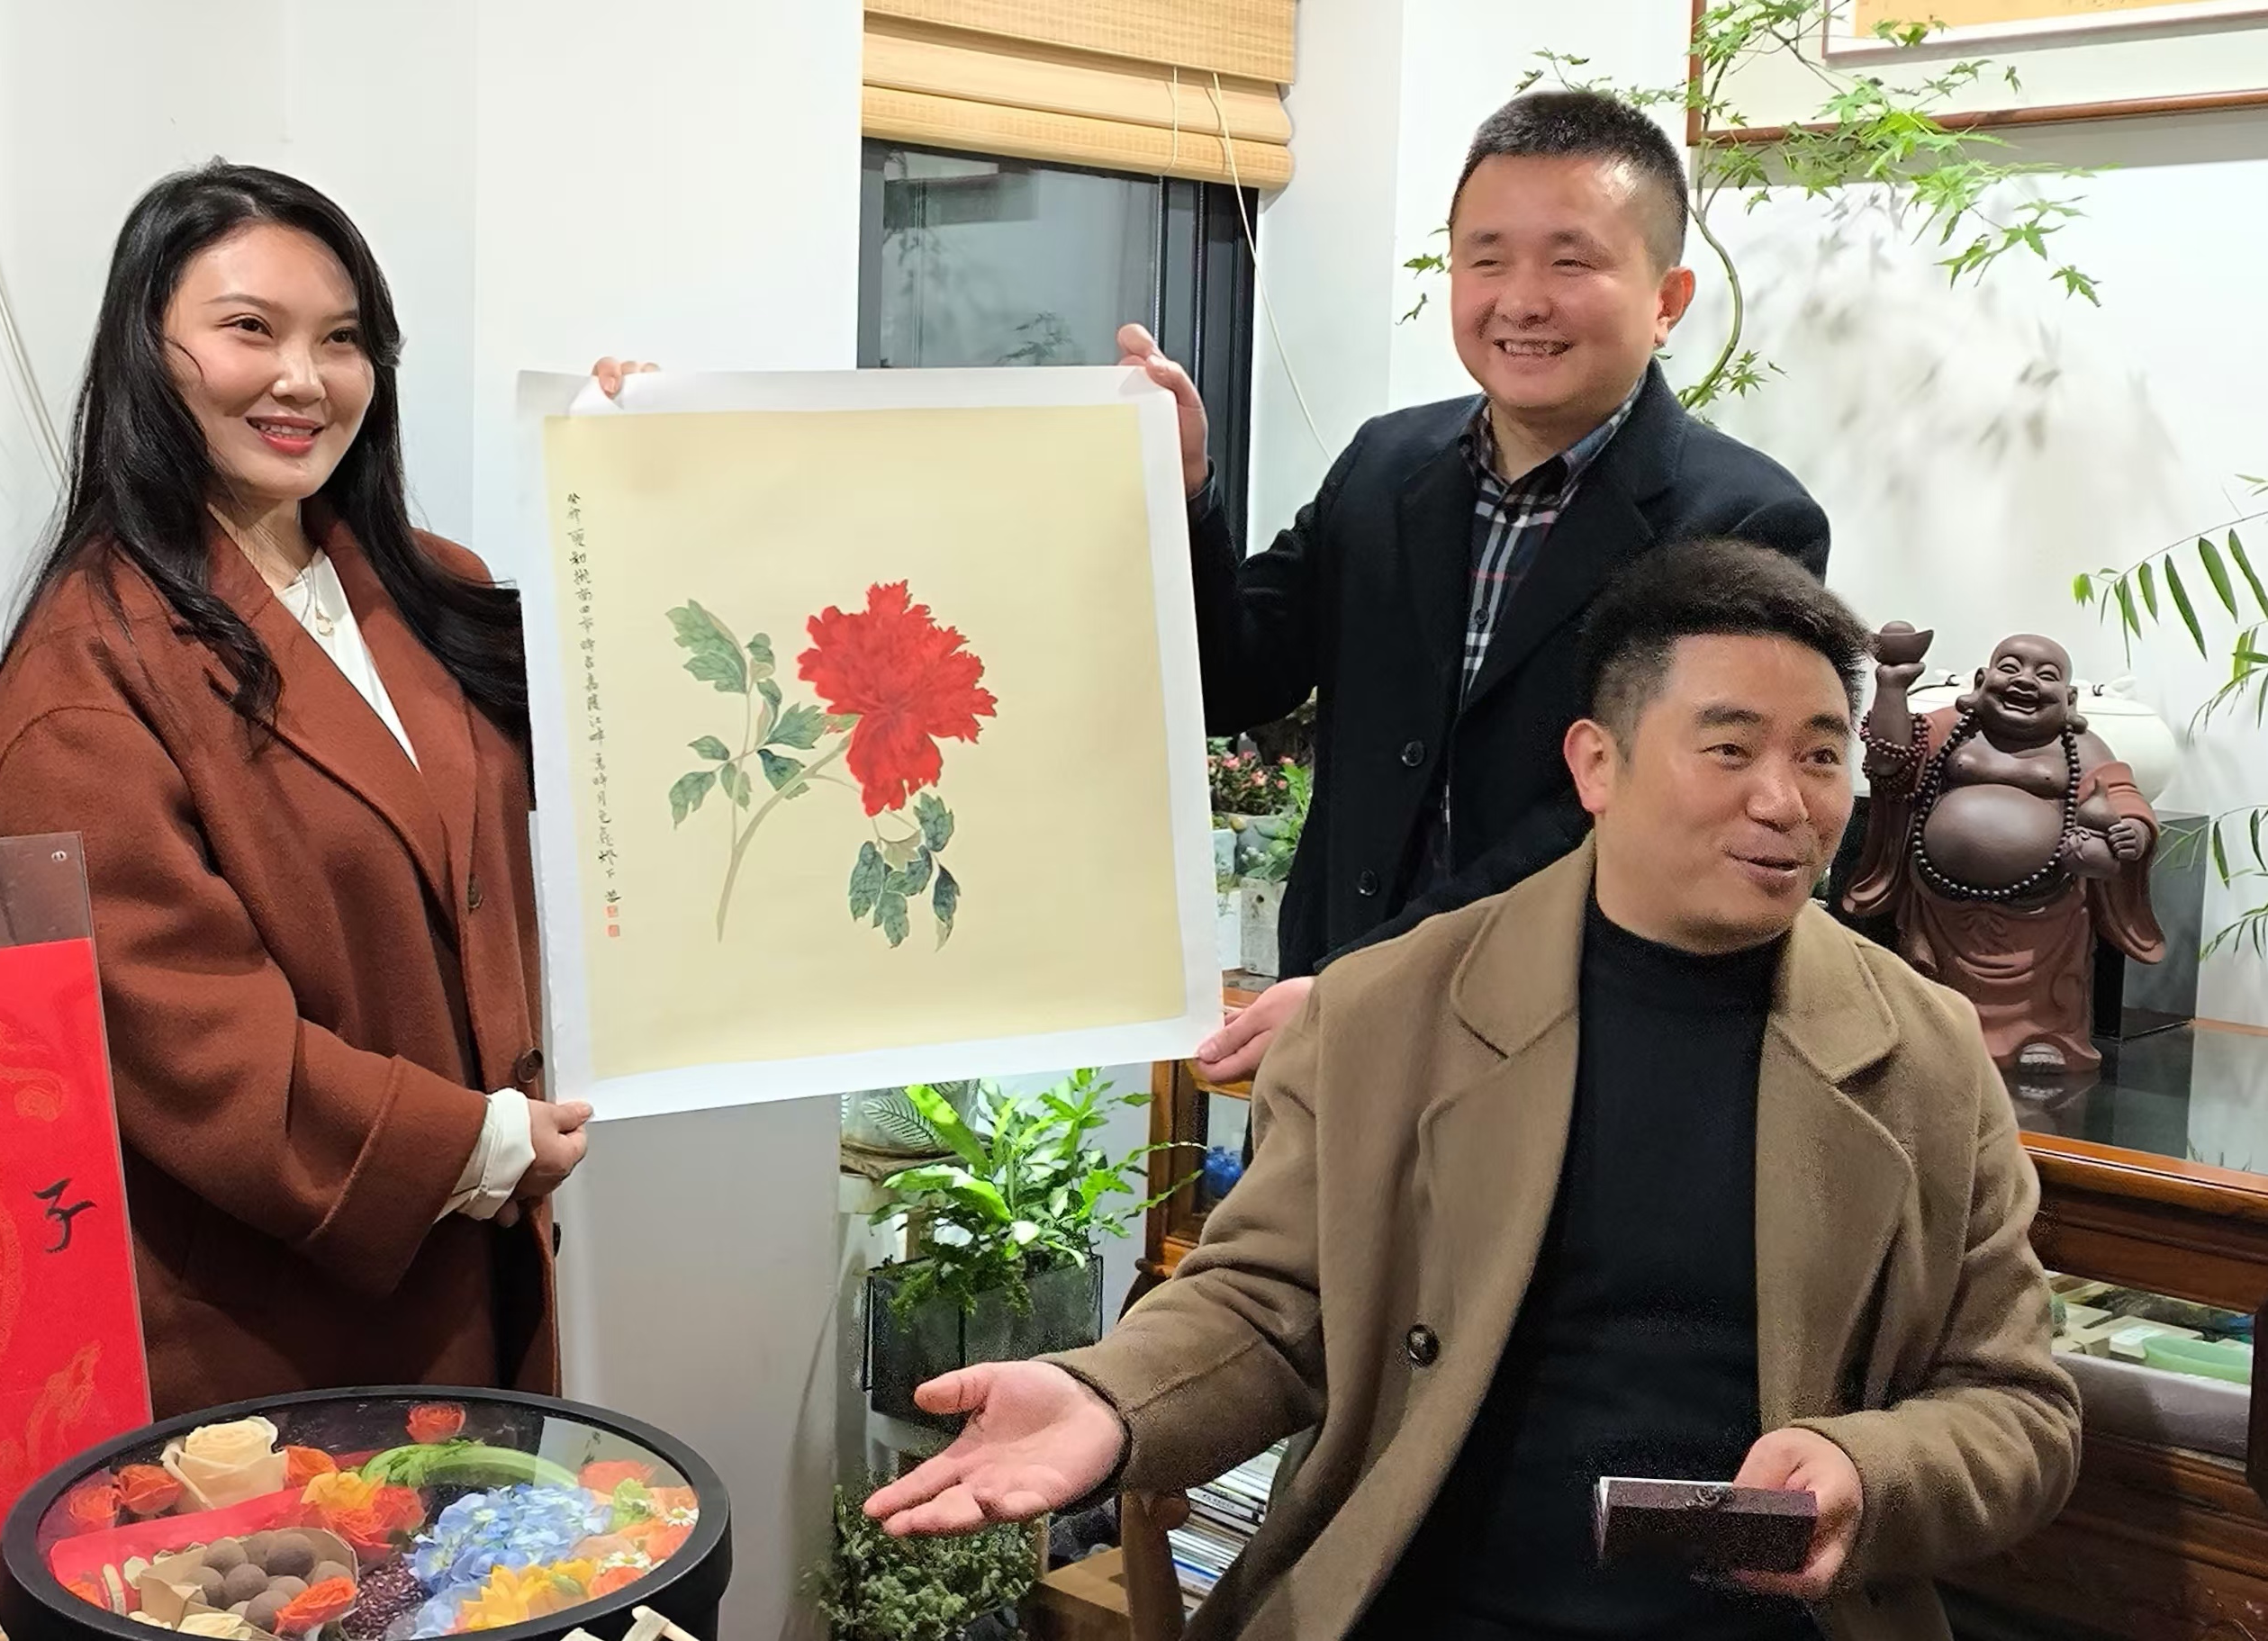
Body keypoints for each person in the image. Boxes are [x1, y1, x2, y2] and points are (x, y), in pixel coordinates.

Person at [866, 540, 2080, 1641]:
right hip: (1428, 1603)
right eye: (1728, 748)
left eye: (1819, 754)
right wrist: (1108, 1395)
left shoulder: (1921, 1053)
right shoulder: (1388, 1011)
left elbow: (2016, 1404)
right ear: (1595, 763)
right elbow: (1271, 1303)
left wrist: (1865, 1468)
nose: (1785, 799)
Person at [0, 162, 591, 1415]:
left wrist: (635, 473)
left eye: (342, 340)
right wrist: (476, 1142)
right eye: (250, 328)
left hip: (479, 1268)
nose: (305, 378)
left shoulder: (432, 586)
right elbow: (191, 1043)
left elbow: (619, 782)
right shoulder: (81, 679)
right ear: (147, 350)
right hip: (274, 1331)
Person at [1127, 89, 1831, 1084]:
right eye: (1487, 259)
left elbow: (1612, 814)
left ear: (1667, 300)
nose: (1522, 300)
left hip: (1564, 1041)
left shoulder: (1746, 523)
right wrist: (1187, 491)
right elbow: (1235, 679)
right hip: (1331, 1010)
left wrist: (1371, 984)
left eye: (1571, 261)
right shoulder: (1384, 466)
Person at [1843, 626, 2162, 1073]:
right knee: (1935, 989)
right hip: (1940, 902)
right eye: (2010, 668)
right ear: (1981, 681)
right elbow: (1888, 761)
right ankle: (1935, 1032)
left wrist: (2133, 832)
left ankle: (2043, 1035)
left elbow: (2122, 795)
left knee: (2045, 989)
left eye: (2046, 675)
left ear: (2069, 699)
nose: (2025, 681)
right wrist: (1892, 687)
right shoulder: (1950, 728)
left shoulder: (2081, 748)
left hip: (2043, 909)